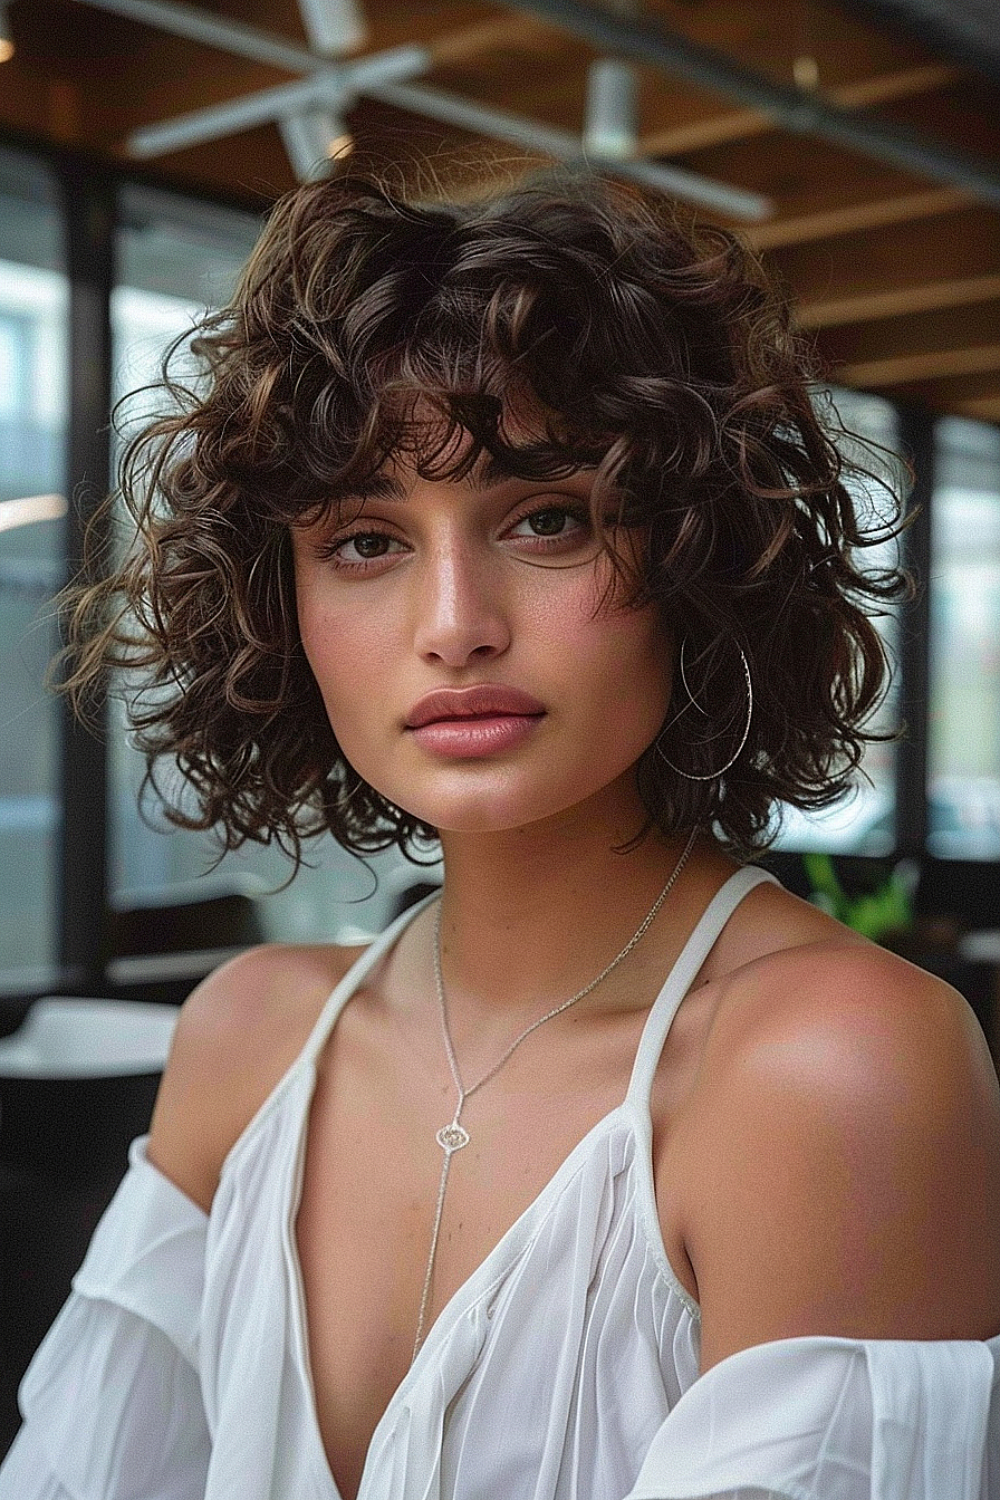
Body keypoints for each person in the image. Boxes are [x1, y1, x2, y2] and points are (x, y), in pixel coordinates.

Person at [2, 170, 998, 1500]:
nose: (455, 622)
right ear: (275, 605)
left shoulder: (832, 1071)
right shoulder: (247, 1040)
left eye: (545, 518)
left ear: (698, 553)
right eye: (365, 540)